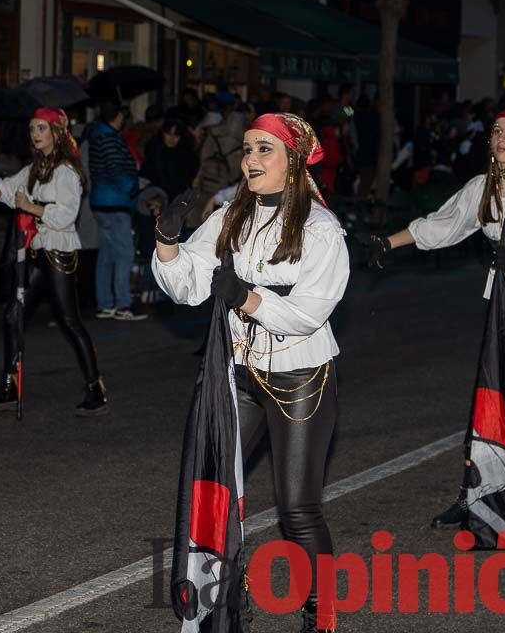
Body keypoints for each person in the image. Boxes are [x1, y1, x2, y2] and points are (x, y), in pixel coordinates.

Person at [153, 113, 349, 632]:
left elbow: (309, 313)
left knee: (298, 509)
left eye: (265, 149)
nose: (251, 159)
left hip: (299, 378)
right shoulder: (230, 215)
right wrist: (168, 243)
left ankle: (322, 612)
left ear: (294, 161)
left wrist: (246, 296)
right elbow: (190, 285)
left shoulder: (320, 229)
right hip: (237, 372)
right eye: (247, 150)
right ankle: (223, 598)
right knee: (219, 493)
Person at [369, 107, 505, 544]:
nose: (502, 138)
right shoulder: (481, 188)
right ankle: (473, 495)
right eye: (497, 130)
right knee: (488, 398)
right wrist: (387, 243)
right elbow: (441, 227)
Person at [0, 108, 106, 415]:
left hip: (59, 253)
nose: (35, 134)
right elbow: (10, 185)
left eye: (42, 128)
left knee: (69, 320)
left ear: (56, 132)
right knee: (13, 314)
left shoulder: (66, 171)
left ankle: (94, 387)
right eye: (32, 128)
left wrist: (31, 208)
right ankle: (9, 384)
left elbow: (64, 215)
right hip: (36, 250)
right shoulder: (35, 167)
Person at [88, 99, 145, 321]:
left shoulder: (98, 135)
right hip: (115, 201)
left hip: (101, 201)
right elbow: (115, 169)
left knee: (107, 255)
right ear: (118, 116)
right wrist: (131, 188)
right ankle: (123, 304)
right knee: (124, 254)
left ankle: (106, 304)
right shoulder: (109, 138)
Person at [140, 114, 199, 202]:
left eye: (176, 135)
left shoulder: (187, 155)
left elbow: (191, 177)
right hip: (156, 201)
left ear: (181, 137)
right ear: (163, 133)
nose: (172, 138)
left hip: (180, 202)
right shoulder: (154, 152)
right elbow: (145, 177)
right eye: (169, 134)